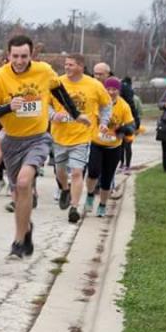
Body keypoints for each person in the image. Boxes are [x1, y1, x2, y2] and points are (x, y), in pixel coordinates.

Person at [0, 35, 82, 260]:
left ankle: (18, 242)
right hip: (11, 140)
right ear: (8, 55)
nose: (19, 61)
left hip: (38, 138)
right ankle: (26, 230)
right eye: (15, 56)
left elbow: (60, 93)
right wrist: (8, 107)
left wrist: (77, 115)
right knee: (18, 192)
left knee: (24, 182)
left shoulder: (44, 71)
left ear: (31, 55)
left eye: (24, 56)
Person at [49, 53, 110, 223]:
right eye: (66, 64)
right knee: (60, 171)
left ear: (81, 66)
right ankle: (64, 189)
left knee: (77, 172)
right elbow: (45, 103)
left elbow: (106, 105)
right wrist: (53, 115)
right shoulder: (57, 83)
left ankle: (74, 208)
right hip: (59, 136)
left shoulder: (94, 85)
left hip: (82, 137)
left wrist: (104, 122)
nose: (67, 67)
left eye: (71, 65)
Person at [85, 77, 135, 218]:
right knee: (93, 172)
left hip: (114, 147)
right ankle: (89, 195)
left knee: (107, 179)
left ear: (119, 91)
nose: (111, 92)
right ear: (104, 89)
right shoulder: (98, 104)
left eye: (114, 89)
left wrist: (122, 130)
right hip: (97, 143)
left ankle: (102, 205)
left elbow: (132, 126)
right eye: (109, 89)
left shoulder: (124, 106)